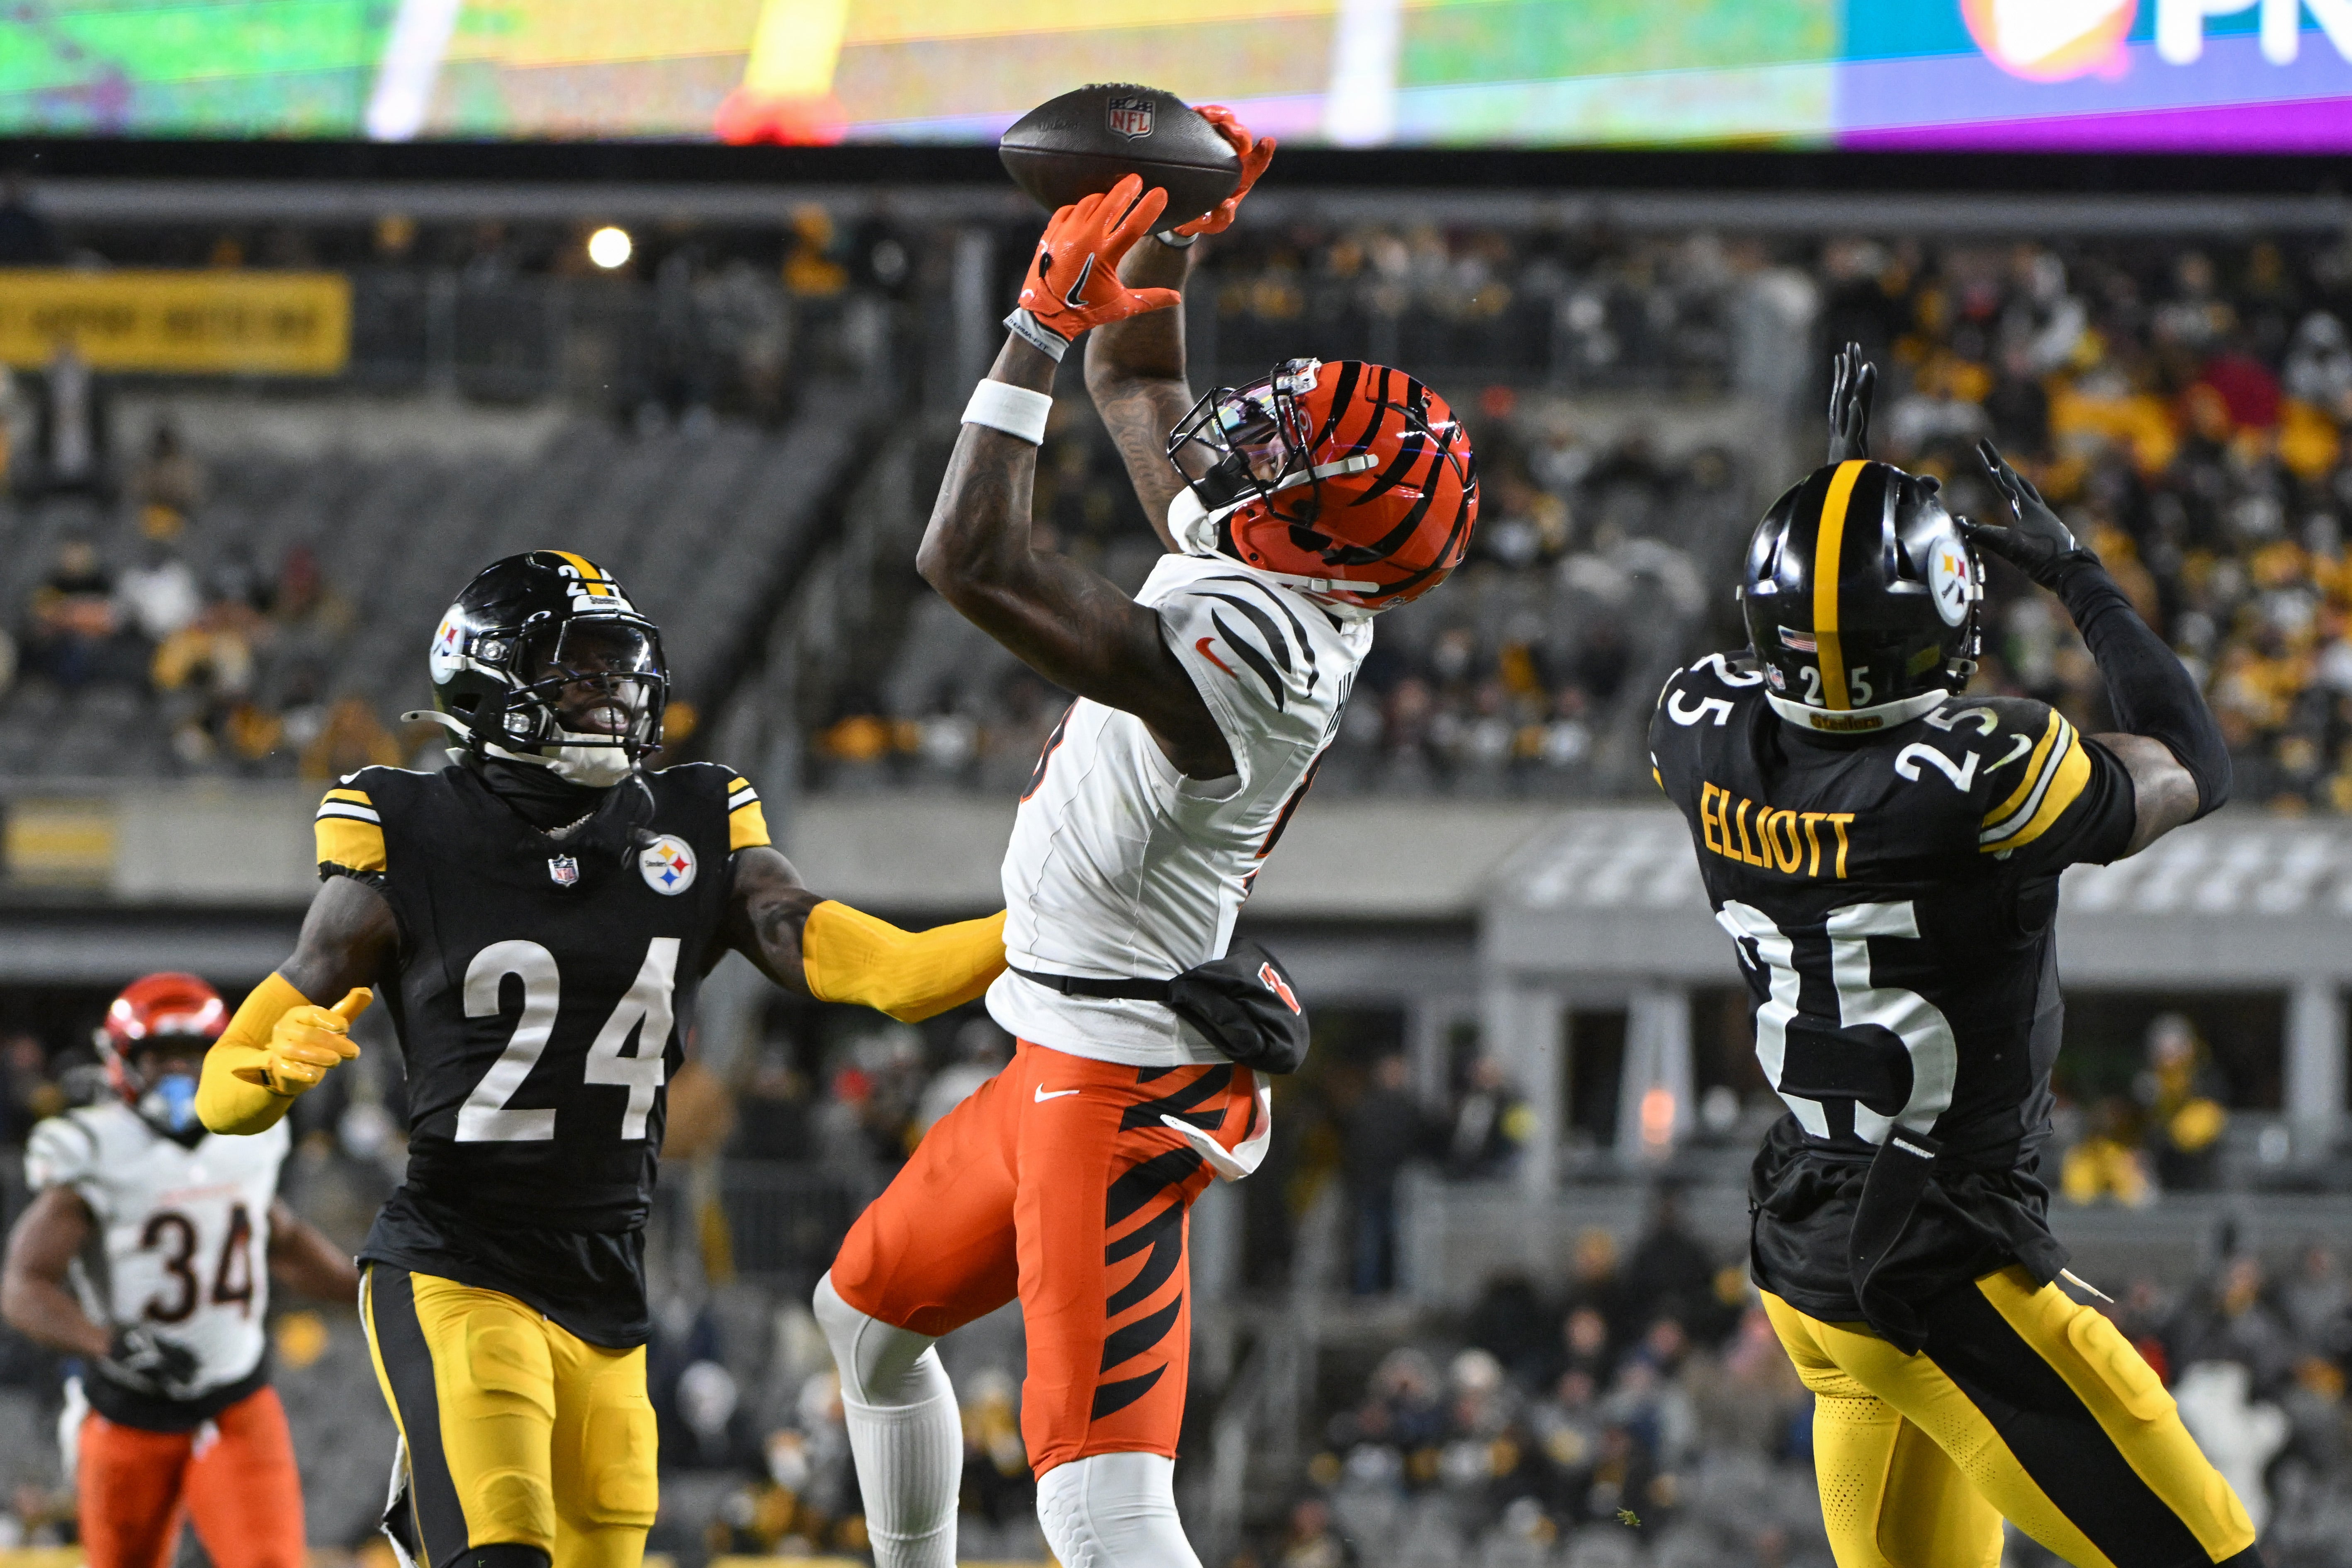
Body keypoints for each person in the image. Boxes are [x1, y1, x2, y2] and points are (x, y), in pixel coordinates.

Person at [812, 112, 1478, 1568]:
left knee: (1097, 1511)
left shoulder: (1253, 638)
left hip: (1113, 1086)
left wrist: (1031, 329)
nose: (1253, 433)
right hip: (1060, 1038)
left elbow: (968, 558)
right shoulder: (1284, 555)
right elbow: (1145, 374)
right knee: (861, 1317)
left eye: (1288, 448)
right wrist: (1176, 226)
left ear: (1321, 541)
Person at [191, 550, 1007, 1568]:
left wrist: (1035, 931)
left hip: (609, 1287)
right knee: (503, 1551)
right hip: (457, 1262)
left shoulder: (694, 816)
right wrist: (266, 1076)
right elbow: (223, 1084)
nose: (612, 695)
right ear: (488, 676)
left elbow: (874, 966)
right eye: (579, 671)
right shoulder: (409, 827)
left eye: (621, 671)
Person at [1648, 344, 2255, 1568]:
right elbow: (2195, 759)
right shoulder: (1981, 773)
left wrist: (1838, 501)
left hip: (1812, 1258)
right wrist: (2080, 577)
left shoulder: (1698, 727)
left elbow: (1811, 691)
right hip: (1951, 1275)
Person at [0, 973, 360, 1568]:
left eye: (194, 1056)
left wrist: (368, 1290)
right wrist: (109, 1344)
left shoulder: (253, 1135)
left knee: (270, 1561)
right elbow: (22, 1283)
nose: (179, 1073)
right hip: (128, 1409)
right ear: (123, 1062)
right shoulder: (94, 1146)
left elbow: (285, 1241)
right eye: (161, 1056)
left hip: (236, 1401)